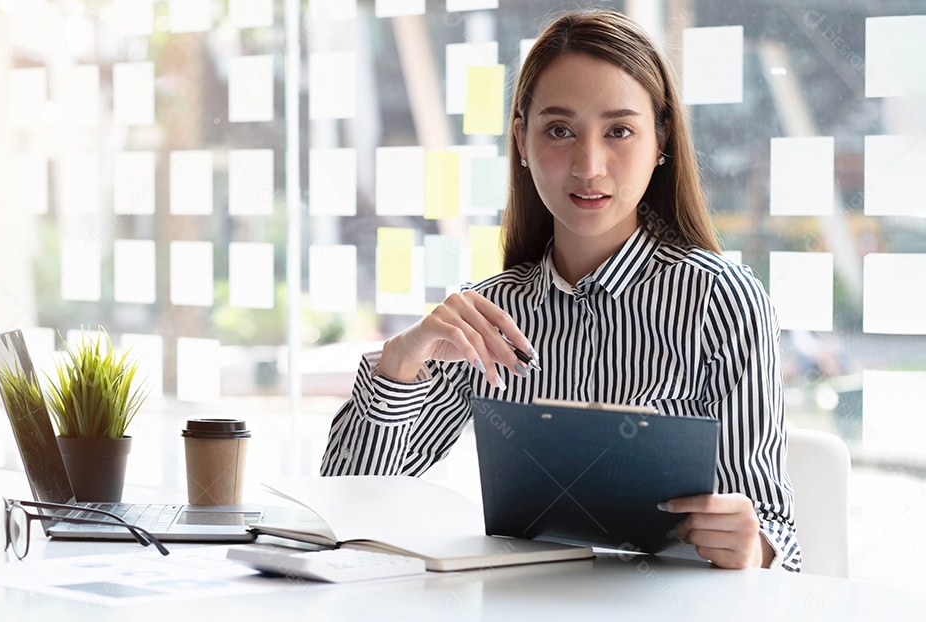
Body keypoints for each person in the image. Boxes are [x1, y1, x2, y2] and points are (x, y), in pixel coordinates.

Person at [320, 8, 800, 572]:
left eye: (619, 130)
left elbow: (776, 532)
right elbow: (349, 504)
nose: (589, 165)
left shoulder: (720, 299)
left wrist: (754, 545)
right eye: (559, 131)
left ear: (661, 139)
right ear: (521, 139)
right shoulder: (491, 315)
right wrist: (398, 367)